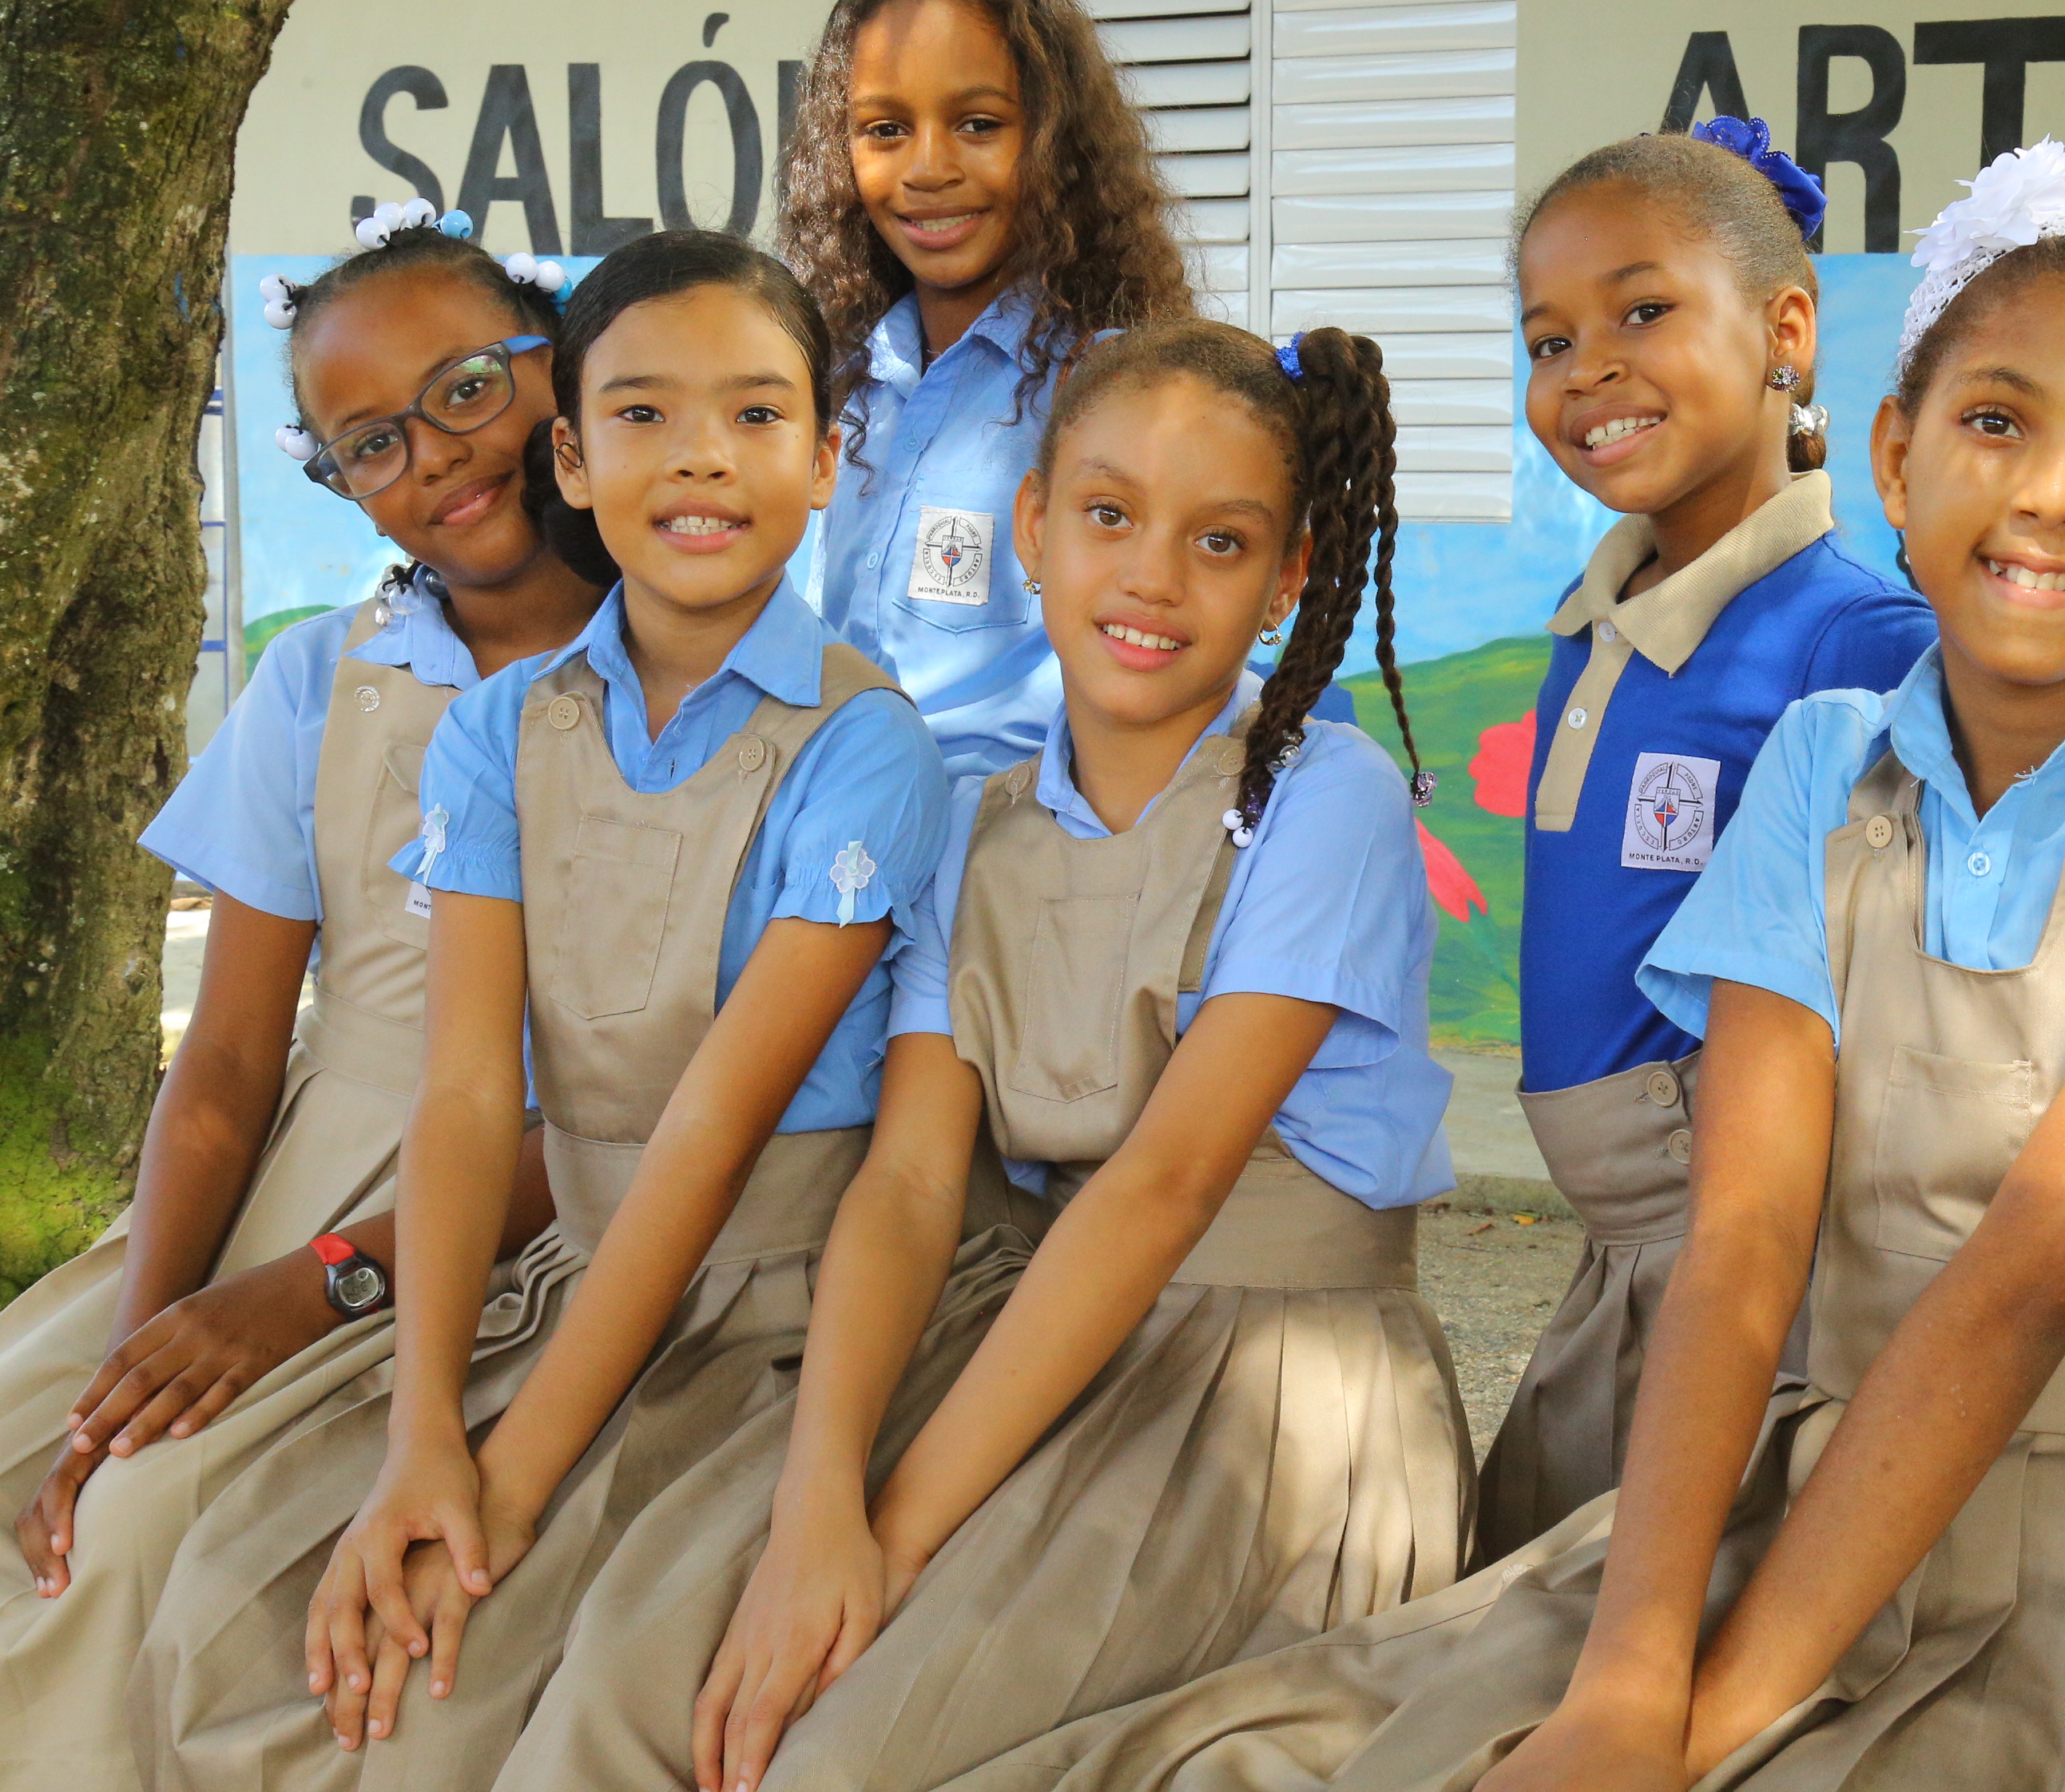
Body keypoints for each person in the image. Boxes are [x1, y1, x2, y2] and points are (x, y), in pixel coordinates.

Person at [981, 137, 2065, 1792]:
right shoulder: (1824, 756)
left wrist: (1706, 1728)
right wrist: (1628, 1681)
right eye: (1996, 419)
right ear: (1900, 449)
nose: (2054, 491)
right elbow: (1747, 1237)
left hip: (2041, 1558)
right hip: (1750, 1478)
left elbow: (2024, 1282)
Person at [494, 318, 1467, 1792]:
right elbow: (904, 1187)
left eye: (1220, 543)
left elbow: (1161, 1190)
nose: (1150, 576)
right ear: (1030, 527)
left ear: (1290, 578)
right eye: (1107, 515)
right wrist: (824, 1501)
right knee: (650, 1668)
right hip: (1036, 1333)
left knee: (844, 1746)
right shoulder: (979, 820)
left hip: (1259, 1393)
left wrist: (890, 1541)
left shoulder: (1323, 798)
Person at [135, 230, 954, 1792]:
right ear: (570, 455)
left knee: (504, 1705)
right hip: (555, 1275)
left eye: (759, 414)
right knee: (239, 1619)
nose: (703, 456)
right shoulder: (497, 729)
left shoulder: (866, 748)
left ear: (830, 456)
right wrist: (425, 1429)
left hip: (763, 1315)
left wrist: (504, 1478)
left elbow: (709, 1134)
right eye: (643, 414)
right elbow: (461, 1100)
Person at [0, 205, 608, 1791]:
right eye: (370, 441)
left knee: (158, 1555)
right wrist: (128, 1366)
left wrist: (319, 1286)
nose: (438, 453)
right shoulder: (321, 683)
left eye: (470, 384)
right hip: (299, 1179)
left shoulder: (691, 674)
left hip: (547, 1214)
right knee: (55, 1464)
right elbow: (224, 1065)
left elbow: (648, 1106)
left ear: (559, 364)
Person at [1478, 118, 1932, 1557]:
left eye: (1644, 311)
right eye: (1550, 339)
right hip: (1616, 1262)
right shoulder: (1593, 622)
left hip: (1741, 1268)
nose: (1588, 369)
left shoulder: (1855, 639)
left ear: (1785, 329)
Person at [784, 0, 1194, 777]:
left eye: (978, 124)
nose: (928, 168)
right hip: (834, 833)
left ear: (1056, 143)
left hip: (1011, 860)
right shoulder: (835, 376)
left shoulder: (1113, 391)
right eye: (885, 129)